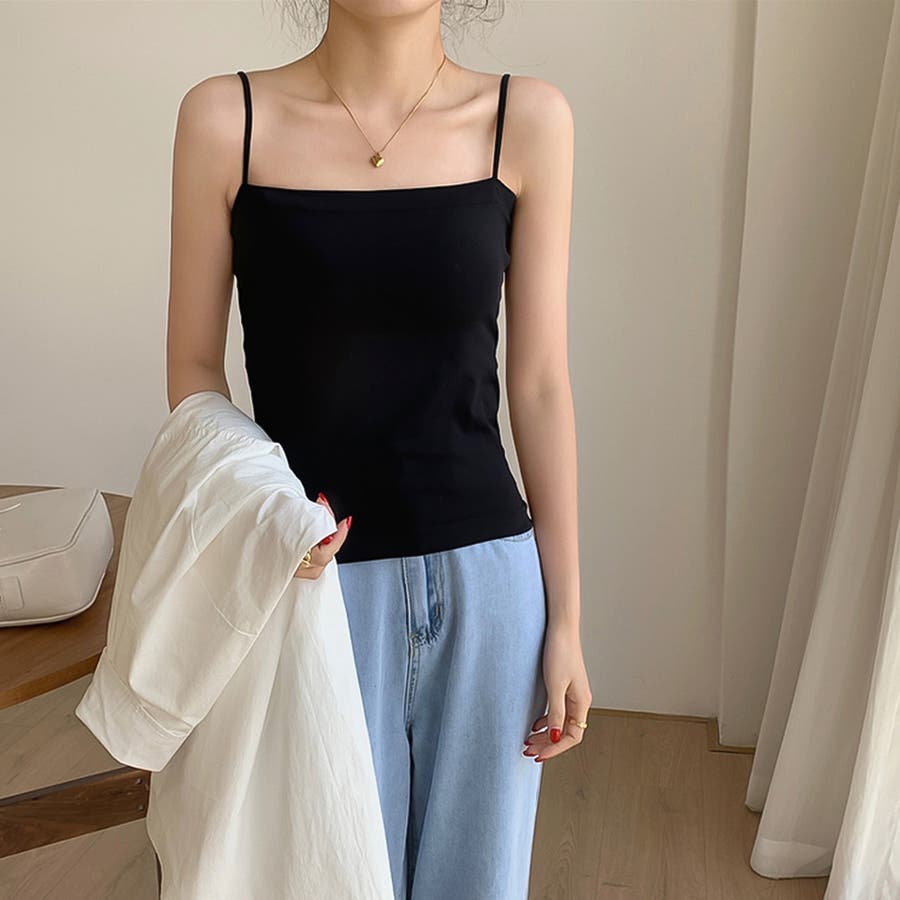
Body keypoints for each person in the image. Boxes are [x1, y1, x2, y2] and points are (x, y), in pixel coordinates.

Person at [164, 2, 590, 897]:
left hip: (490, 588)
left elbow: (542, 387)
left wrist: (566, 622)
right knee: (327, 878)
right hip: (311, 582)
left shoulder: (528, 120)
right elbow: (196, 373)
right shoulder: (226, 120)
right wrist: (266, 516)